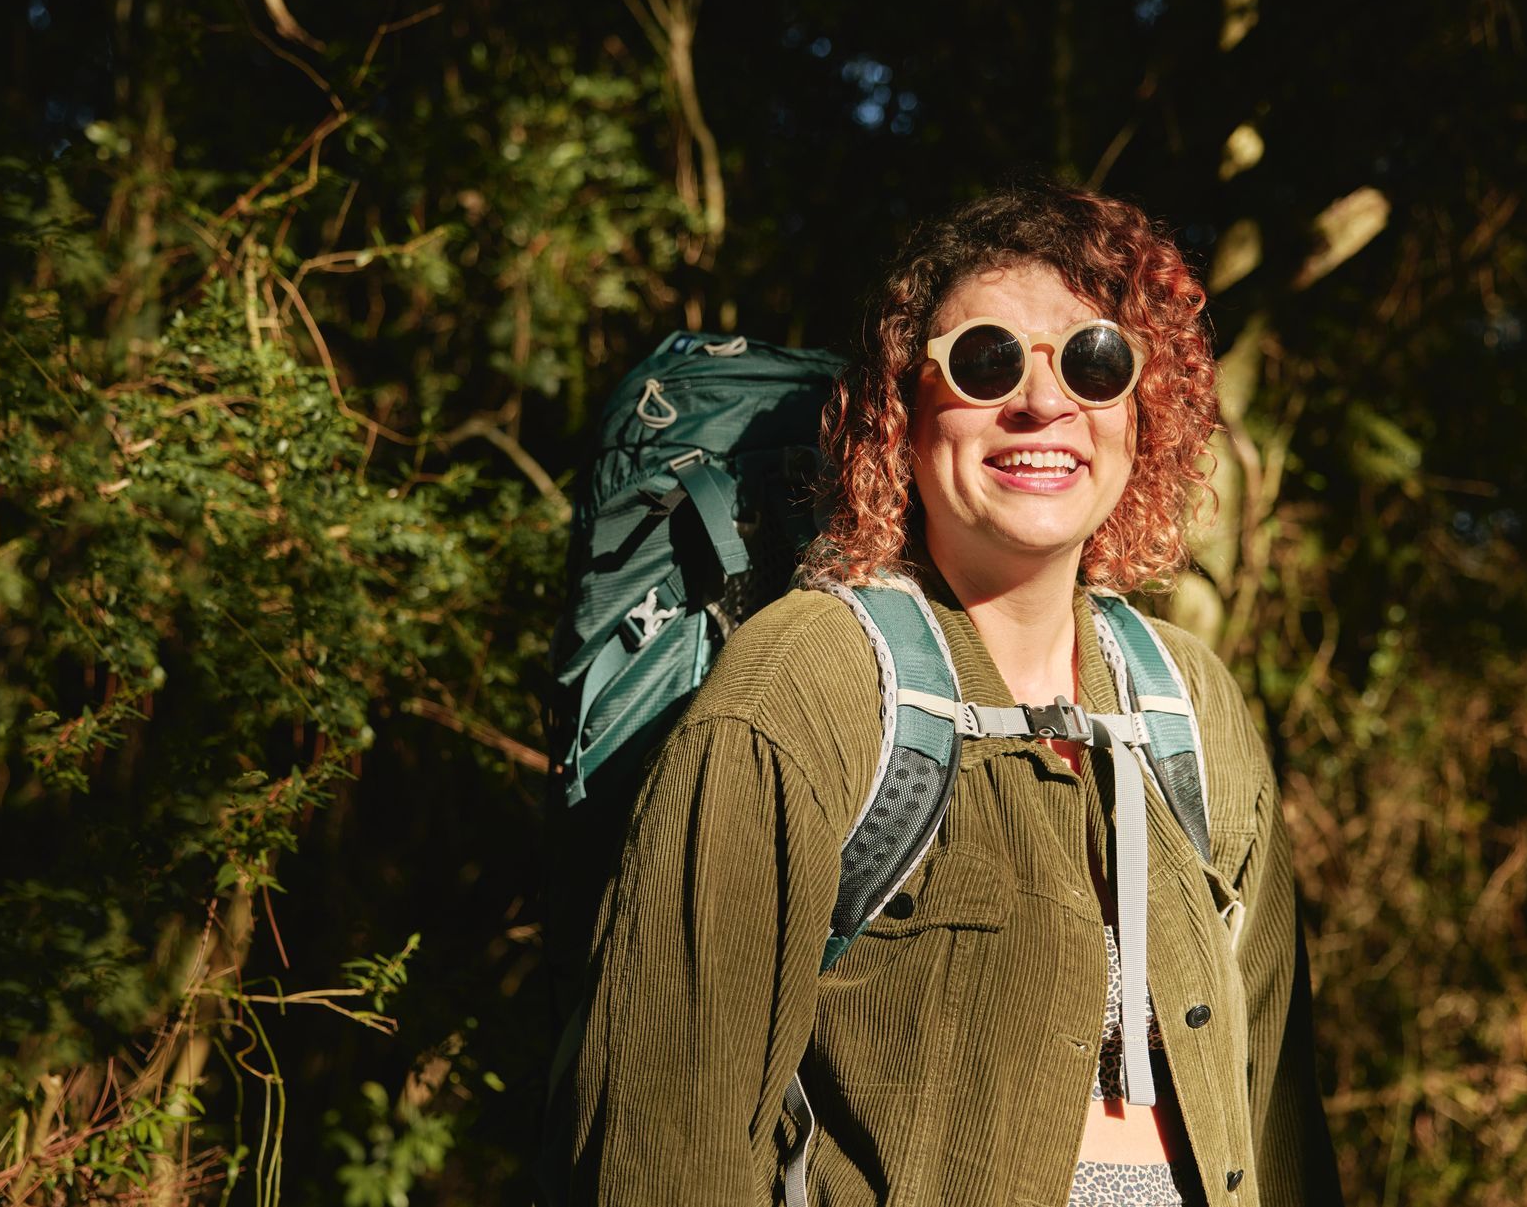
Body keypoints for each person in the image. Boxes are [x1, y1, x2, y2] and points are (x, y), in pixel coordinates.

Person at [541, 179, 1340, 1206]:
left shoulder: (1191, 704)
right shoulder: (808, 685)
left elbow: (1279, 1117)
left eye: (1094, 361)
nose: (1042, 403)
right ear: (899, 410)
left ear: (1145, 411)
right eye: (986, 360)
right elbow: (664, 1140)